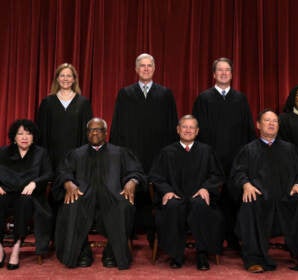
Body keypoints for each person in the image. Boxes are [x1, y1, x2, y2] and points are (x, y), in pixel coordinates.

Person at [229, 109, 298, 274]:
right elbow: (238, 173)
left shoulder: (290, 149)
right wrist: (246, 185)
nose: (272, 123)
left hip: (287, 197)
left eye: (275, 121)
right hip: (261, 197)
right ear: (258, 125)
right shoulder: (248, 150)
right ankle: (255, 258)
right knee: (249, 203)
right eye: (267, 120)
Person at [53, 118, 146, 270]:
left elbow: (135, 171)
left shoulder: (120, 152)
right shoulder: (76, 154)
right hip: (83, 194)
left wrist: (132, 181)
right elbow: (63, 171)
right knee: (71, 205)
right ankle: (81, 253)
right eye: (90, 130)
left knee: (124, 206)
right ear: (86, 133)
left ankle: (112, 253)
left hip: (112, 195)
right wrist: (68, 183)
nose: (94, 132)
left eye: (98, 129)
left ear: (106, 132)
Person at [110, 53, 178, 241]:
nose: (146, 69)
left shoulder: (165, 94)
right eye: (142, 66)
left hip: (158, 151)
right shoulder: (125, 94)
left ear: (154, 69)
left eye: (149, 66)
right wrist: (117, 153)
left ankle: (154, 231)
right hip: (132, 151)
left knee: (155, 188)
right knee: (132, 187)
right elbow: (117, 125)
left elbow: (173, 126)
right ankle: (130, 230)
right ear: (136, 69)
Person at [192, 57, 256, 249]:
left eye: (227, 70)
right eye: (220, 70)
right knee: (213, 199)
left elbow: (248, 130)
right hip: (211, 158)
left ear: (231, 74)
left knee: (234, 198)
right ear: (213, 74)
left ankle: (235, 237)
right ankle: (213, 239)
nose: (224, 73)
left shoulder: (240, 99)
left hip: (236, 159)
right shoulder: (203, 99)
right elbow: (197, 132)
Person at [149, 115, 224, 270]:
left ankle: (202, 254)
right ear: (178, 130)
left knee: (201, 205)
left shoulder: (206, 151)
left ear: (197, 131)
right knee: (172, 206)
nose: (188, 130)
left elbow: (217, 175)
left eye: (191, 127)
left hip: (199, 196)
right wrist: (167, 191)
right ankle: (176, 255)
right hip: (176, 196)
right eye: (184, 126)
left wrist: (206, 188)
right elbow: (155, 177)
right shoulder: (167, 152)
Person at [0, 119, 53, 270]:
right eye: (20, 134)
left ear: (33, 136)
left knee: (24, 202)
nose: (24, 137)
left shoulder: (41, 153)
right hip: (7, 191)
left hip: (29, 194)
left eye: (28, 134)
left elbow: (49, 173)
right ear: (14, 137)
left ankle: (16, 246)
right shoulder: (3, 152)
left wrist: (35, 183)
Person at [37, 63, 93, 170]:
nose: (65, 79)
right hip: (52, 157)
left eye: (69, 76)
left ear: (74, 79)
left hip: (77, 157)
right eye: (62, 75)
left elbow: (87, 133)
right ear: (57, 79)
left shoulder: (83, 103)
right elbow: (42, 133)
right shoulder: (47, 102)